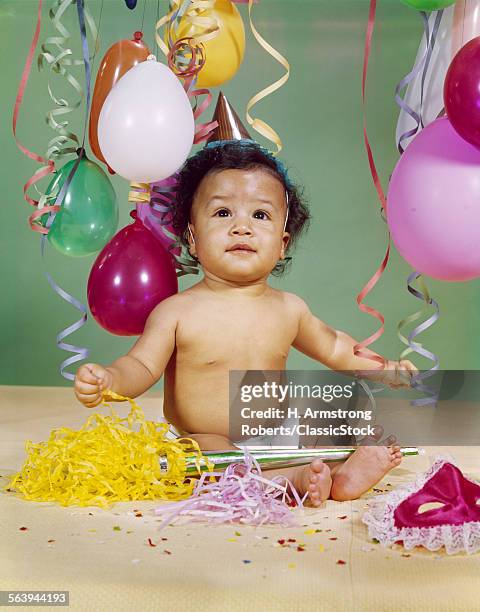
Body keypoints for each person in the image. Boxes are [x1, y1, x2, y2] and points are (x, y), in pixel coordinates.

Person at [74, 141, 417, 506]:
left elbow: (335, 347)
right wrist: (111, 380)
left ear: (282, 244)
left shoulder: (289, 309)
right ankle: (299, 479)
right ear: (192, 238)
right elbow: (141, 365)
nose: (242, 227)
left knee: (336, 406)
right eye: (223, 213)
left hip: (279, 429)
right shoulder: (176, 312)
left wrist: (382, 368)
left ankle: (340, 470)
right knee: (211, 459)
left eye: (260, 216)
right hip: (210, 437)